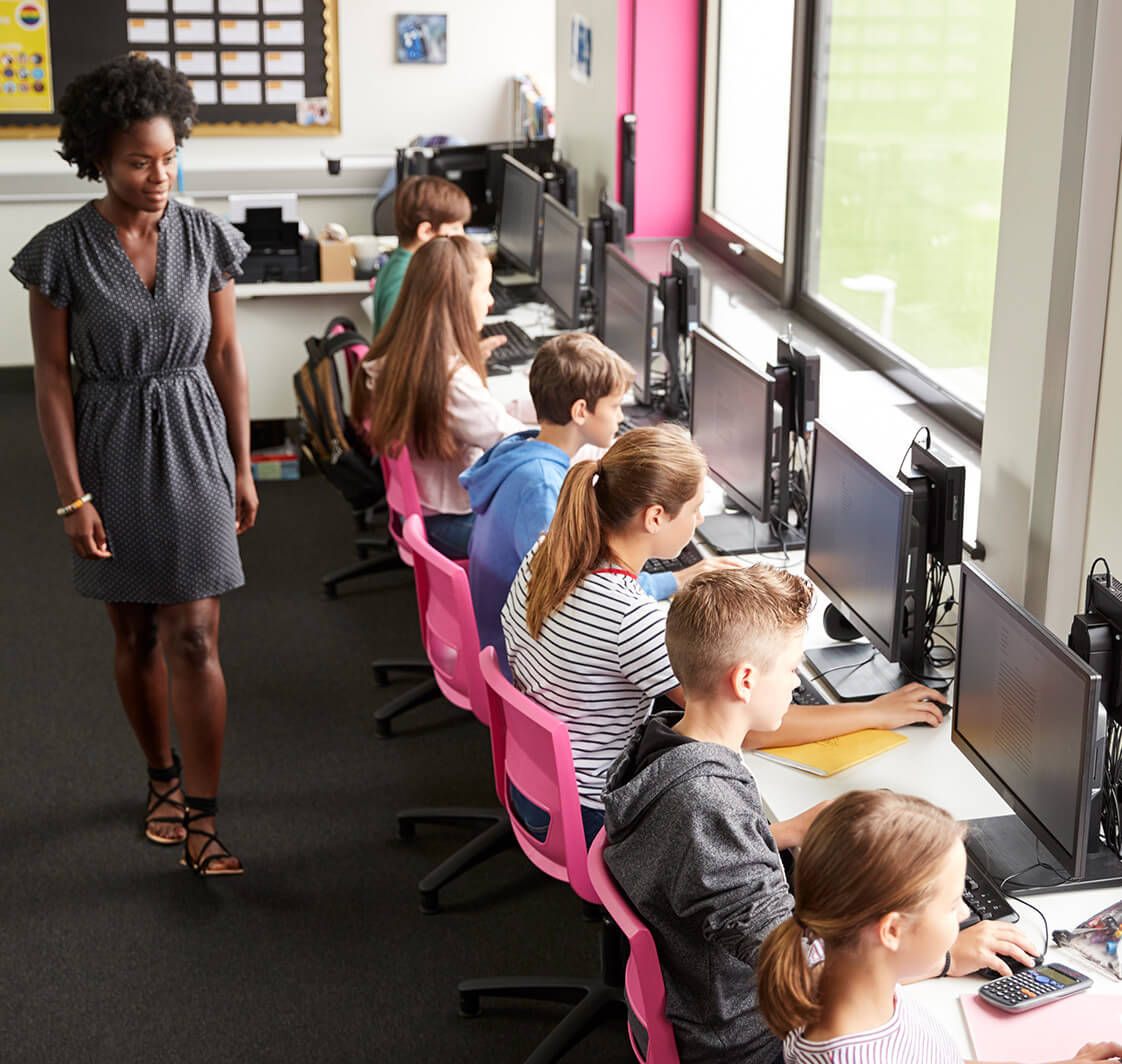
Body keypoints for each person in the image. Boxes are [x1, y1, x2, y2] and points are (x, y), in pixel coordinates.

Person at [603, 571, 1042, 1064]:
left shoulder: (661, 744)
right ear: (745, 681)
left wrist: (781, 833)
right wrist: (945, 958)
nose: (796, 680)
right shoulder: (707, 805)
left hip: (698, 994)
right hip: (747, 1035)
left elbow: (695, 860)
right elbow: (800, 974)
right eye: (792, 668)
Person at [11, 55, 256, 876]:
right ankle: (160, 778)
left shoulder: (206, 235)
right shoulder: (59, 253)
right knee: (136, 630)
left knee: (194, 633)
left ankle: (203, 816)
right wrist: (71, 497)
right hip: (108, 439)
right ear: (100, 160)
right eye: (137, 162)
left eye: (168, 157)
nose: (158, 176)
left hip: (193, 437)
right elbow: (50, 380)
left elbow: (225, 354)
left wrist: (244, 467)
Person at [502, 425, 953, 847]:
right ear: (655, 517)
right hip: (587, 816)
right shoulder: (629, 619)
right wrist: (874, 712)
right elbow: (745, 727)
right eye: (695, 508)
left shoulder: (550, 551)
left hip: (536, 785)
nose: (699, 519)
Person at [757, 790, 1122, 1064]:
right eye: (951, 904)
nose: (965, 912)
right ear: (892, 931)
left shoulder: (839, 963)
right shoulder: (853, 1054)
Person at [460, 333, 728, 671]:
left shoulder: (522, 450)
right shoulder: (541, 486)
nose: (620, 418)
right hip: (513, 657)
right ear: (581, 411)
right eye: (615, 406)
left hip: (504, 640)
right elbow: (570, 583)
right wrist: (674, 580)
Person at [363, 235, 524, 558]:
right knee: (568, 548)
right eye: (484, 289)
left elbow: (484, 418)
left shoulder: (399, 356)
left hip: (423, 513)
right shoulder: (451, 381)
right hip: (451, 522)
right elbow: (519, 449)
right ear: (457, 298)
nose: (491, 302)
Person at [372, 174, 472, 336]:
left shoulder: (400, 261)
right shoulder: (406, 280)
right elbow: (398, 353)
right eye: (454, 228)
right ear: (425, 231)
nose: (462, 236)